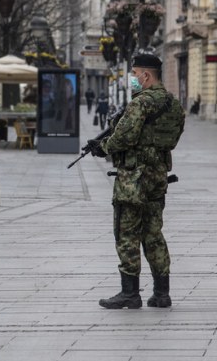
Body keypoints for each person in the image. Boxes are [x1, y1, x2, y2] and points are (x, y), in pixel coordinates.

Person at [88, 52, 185, 310]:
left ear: (145, 75)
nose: (132, 79)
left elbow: (124, 137)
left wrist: (102, 147)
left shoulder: (141, 103)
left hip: (133, 178)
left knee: (126, 231)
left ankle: (130, 293)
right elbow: (172, 140)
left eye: (134, 75)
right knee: (153, 233)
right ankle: (162, 293)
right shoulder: (173, 104)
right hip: (158, 177)